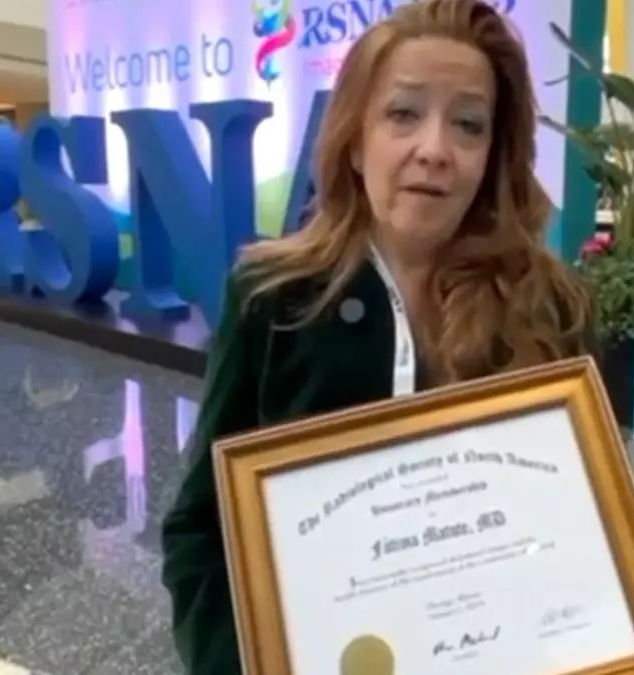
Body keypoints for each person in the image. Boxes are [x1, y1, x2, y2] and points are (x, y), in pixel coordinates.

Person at [160, 1, 593, 673]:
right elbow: (202, 526)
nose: (435, 149)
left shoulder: (549, 307)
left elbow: (583, 526)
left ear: (492, 155)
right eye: (403, 113)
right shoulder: (273, 297)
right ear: (356, 142)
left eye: (469, 124)